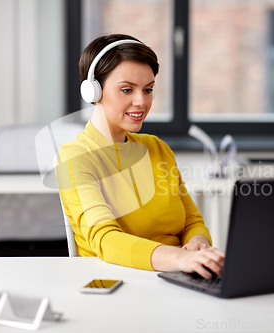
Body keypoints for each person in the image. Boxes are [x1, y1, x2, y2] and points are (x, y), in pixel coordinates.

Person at [57, 34, 224, 279]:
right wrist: (179, 257)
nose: (141, 101)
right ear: (93, 91)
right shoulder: (76, 157)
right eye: (127, 90)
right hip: (117, 282)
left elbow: (191, 220)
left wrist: (197, 245)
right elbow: (105, 240)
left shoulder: (158, 148)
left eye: (148, 90)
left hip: (177, 277)